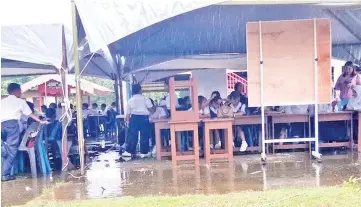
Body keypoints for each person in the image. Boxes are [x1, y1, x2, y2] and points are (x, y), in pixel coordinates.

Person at [1, 83, 47, 182]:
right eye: (20, 91)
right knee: (12, 150)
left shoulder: (2, 101)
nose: (21, 93)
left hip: (1, 125)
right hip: (12, 125)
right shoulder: (20, 102)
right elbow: (30, 114)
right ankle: (4, 174)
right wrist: (40, 121)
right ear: (16, 91)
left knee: (5, 147)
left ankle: (3, 152)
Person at [122, 84, 155, 158]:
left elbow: (127, 113)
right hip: (144, 118)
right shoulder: (145, 98)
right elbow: (151, 109)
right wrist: (151, 111)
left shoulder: (130, 100)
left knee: (132, 135)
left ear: (132, 91)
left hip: (134, 118)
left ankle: (130, 151)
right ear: (140, 90)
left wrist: (127, 121)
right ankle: (144, 152)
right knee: (144, 135)